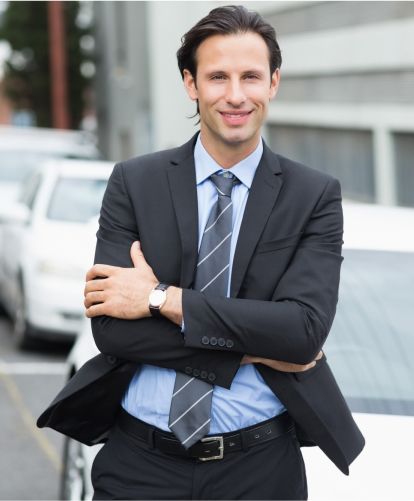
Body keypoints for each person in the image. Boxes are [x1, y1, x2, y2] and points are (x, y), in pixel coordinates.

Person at [38, 5, 364, 500]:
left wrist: (159, 300)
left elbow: (300, 334)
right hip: (139, 468)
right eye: (217, 77)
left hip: (260, 472)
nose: (236, 95)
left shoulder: (313, 196)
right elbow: (111, 329)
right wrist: (255, 344)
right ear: (191, 84)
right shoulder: (135, 182)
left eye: (250, 76)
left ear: (273, 83)